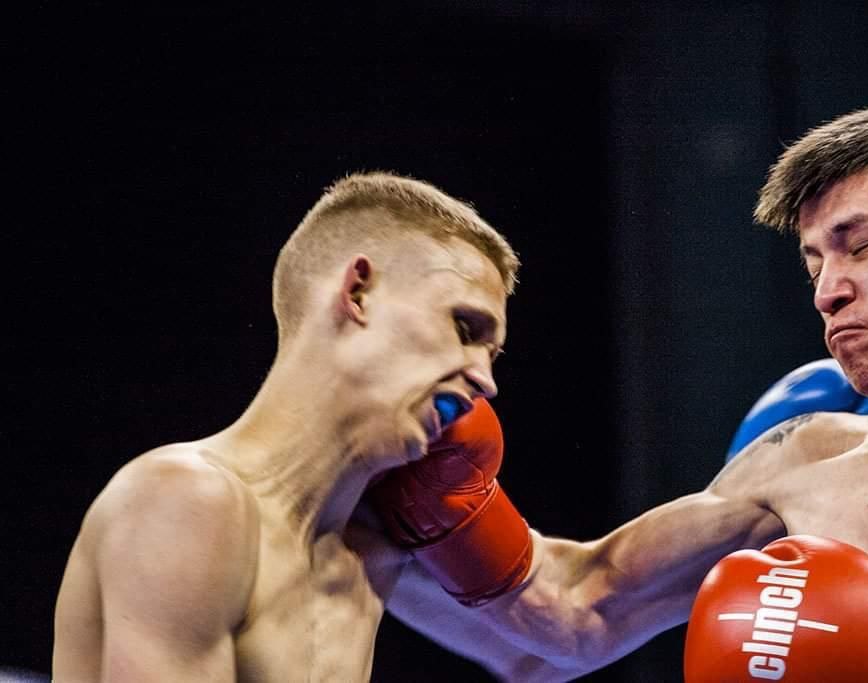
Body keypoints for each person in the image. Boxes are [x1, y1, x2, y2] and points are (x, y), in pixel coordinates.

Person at [357, 95, 868, 680]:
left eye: (861, 246)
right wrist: (434, 505)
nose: (827, 292)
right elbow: (580, 606)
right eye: (813, 263)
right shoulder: (800, 464)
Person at [51, 171, 519, 681]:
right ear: (359, 291)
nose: (485, 381)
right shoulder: (184, 500)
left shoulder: (368, 558)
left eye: (491, 354)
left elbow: (551, 638)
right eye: (464, 328)